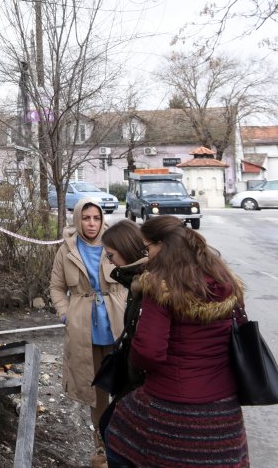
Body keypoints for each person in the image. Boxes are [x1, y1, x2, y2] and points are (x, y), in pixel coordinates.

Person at [104, 216, 249, 468]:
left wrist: (134, 360)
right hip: (224, 409)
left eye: (147, 249)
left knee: (115, 435)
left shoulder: (161, 287)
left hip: (170, 406)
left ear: (162, 245)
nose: (147, 256)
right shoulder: (225, 281)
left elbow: (148, 352)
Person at [50, 198, 127, 468]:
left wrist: (127, 306)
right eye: (86, 218)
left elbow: (133, 276)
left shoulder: (115, 243)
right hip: (85, 331)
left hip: (117, 327)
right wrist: (66, 314)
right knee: (96, 393)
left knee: (124, 387)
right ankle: (102, 447)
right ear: (78, 220)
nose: (92, 223)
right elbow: (56, 287)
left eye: (96, 218)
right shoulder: (67, 249)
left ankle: (126, 444)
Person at [93, 220, 149, 437]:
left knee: (112, 430)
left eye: (111, 255)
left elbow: (147, 345)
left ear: (126, 249)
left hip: (143, 386)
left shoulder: (147, 286)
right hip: (136, 383)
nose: (110, 261)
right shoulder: (136, 281)